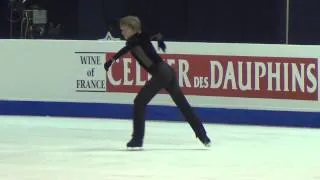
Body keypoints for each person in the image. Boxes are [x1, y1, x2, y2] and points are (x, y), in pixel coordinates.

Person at [104, 15, 211, 148]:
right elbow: (152, 36)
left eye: (124, 29)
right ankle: (203, 136)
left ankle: (137, 139)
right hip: (167, 72)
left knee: (139, 102)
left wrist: (112, 60)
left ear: (132, 28)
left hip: (161, 73)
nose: (122, 32)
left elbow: (131, 45)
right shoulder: (139, 39)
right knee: (183, 105)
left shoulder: (136, 40)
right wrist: (159, 39)